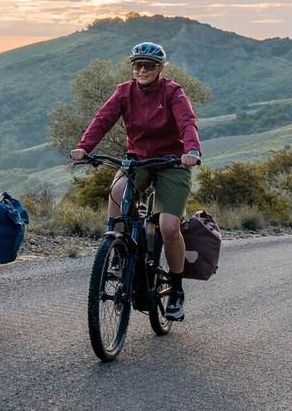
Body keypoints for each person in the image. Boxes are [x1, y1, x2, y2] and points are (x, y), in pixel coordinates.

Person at [69, 41, 201, 321]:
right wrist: (84, 147)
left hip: (172, 163)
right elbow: (102, 119)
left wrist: (191, 150)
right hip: (138, 159)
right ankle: (116, 250)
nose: (142, 70)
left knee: (168, 226)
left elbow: (187, 122)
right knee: (117, 191)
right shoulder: (124, 92)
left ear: (160, 68)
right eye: (138, 65)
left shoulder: (173, 92)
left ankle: (176, 289)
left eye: (149, 65)